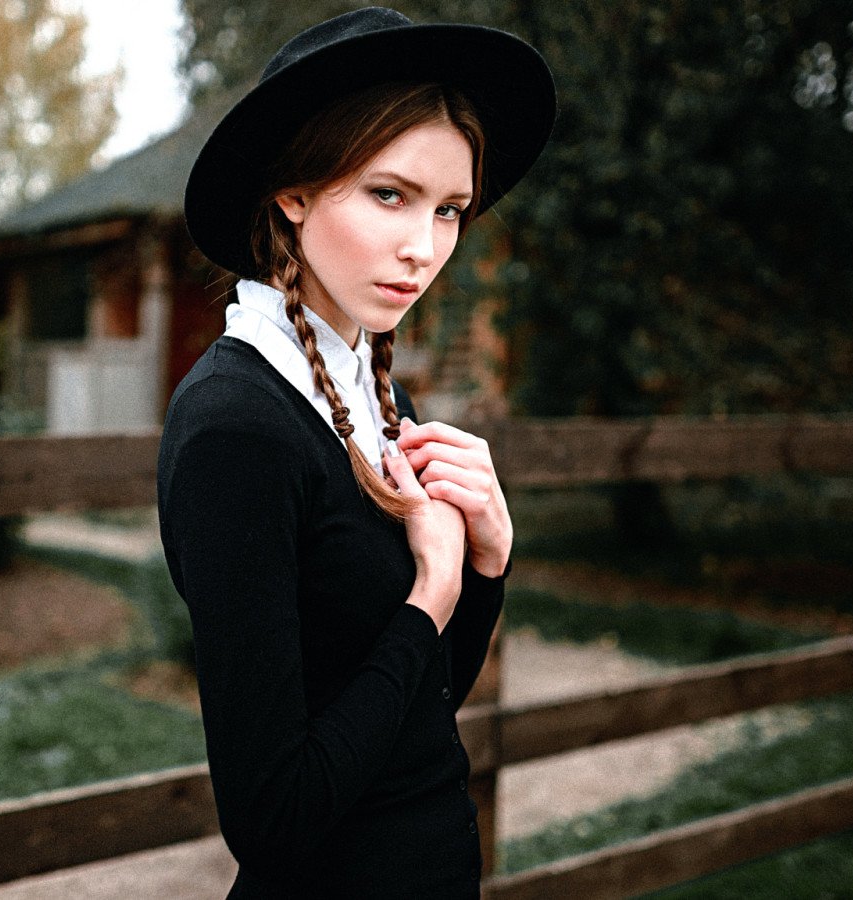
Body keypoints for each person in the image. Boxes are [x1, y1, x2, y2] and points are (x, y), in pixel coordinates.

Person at [157, 8, 554, 898]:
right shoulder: (237, 431)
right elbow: (273, 817)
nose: (424, 248)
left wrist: (487, 562)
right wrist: (431, 594)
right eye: (390, 195)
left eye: (449, 210)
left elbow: (419, 711)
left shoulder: (377, 401)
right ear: (292, 192)